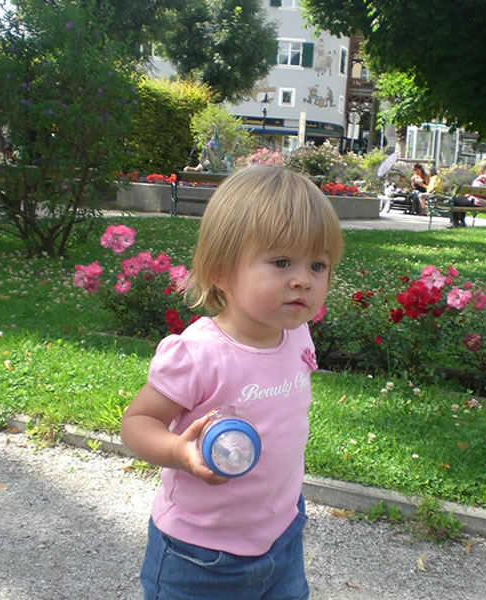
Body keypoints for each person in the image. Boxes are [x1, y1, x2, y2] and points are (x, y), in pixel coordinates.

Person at [120, 165, 343, 600]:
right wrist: (179, 452)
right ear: (221, 271)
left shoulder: (297, 334)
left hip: (281, 531)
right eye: (281, 262)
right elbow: (137, 421)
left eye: (318, 265)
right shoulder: (199, 353)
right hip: (200, 555)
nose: (303, 279)